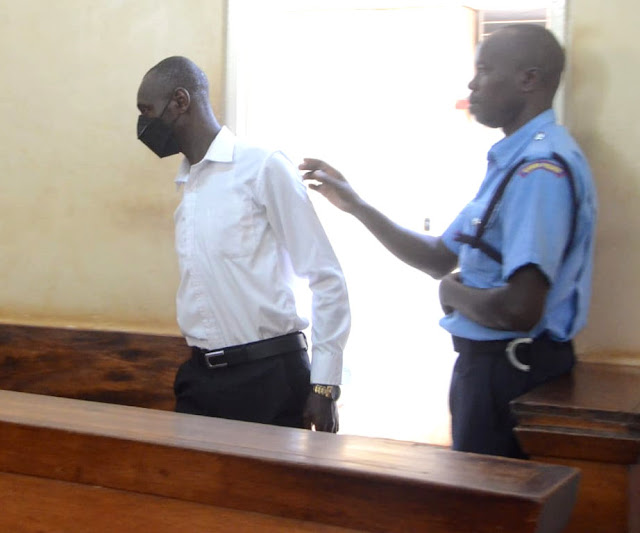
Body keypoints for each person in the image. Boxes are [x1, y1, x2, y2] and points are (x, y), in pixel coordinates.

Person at [299, 24, 597, 457]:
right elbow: (439, 256)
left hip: (512, 373)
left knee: (491, 498)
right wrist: (357, 205)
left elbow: (520, 309)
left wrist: (452, 293)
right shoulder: (512, 161)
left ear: (528, 79)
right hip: (489, 369)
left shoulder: (539, 170)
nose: (473, 84)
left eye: (485, 70)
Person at [136, 56, 350, 432]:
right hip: (201, 379)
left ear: (180, 101)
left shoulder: (263, 167)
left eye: (147, 111)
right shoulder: (188, 186)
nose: (142, 125)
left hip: (269, 379)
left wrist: (324, 385)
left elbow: (326, 276)